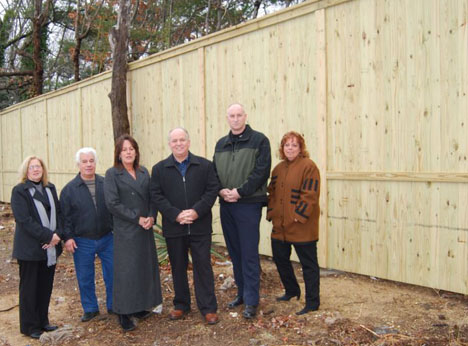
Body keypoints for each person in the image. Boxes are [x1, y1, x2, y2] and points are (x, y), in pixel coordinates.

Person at [150, 127, 220, 325]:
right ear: (169, 144)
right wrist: (175, 214)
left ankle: (208, 308)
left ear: (189, 142)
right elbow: (156, 195)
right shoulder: (159, 169)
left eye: (182, 140)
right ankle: (181, 304)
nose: (179, 144)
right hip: (175, 227)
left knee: (203, 267)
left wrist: (196, 211)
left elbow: (212, 190)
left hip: (200, 226)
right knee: (178, 267)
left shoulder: (205, 166)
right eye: (175, 141)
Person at [213, 103, 271, 319]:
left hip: (248, 204)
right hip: (227, 204)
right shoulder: (221, 144)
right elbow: (214, 171)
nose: (235, 119)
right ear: (227, 118)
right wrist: (221, 190)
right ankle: (242, 294)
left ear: (245, 117)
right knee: (235, 253)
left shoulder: (259, 140)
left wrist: (240, 192)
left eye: (239, 115)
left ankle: (252, 300)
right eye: (231, 116)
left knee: (248, 254)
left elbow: (261, 171)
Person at [104, 135, 162, 332]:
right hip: (127, 229)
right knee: (126, 271)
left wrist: (152, 217)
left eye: (131, 148)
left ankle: (139, 307)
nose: (128, 152)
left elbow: (153, 197)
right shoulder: (112, 174)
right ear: (118, 154)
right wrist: (137, 218)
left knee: (142, 268)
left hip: (145, 228)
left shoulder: (144, 171)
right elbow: (112, 204)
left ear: (136, 152)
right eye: (124, 149)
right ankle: (123, 312)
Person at [266, 131, 321, 315]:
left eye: (294, 145)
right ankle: (292, 291)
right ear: (282, 148)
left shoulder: (309, 166)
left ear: (300, 148)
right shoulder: (278, 169)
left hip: (301, 226)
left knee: (309, 265)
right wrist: (272, 213)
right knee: (280, 259)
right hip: (280, 227)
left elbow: (310, 194)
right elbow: (272, 193)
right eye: (286, 145)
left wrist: (298, 215)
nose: (290, 148)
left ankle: (312, 302)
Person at [10, 156, 64, 339]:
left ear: (43, 169)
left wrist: (57, 236)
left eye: (38, 167)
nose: (35, 170)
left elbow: (59, 213)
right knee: (29, 289)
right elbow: (24, 220)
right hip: (30, 249)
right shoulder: (20, 191)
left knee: (45, 287)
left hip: (50, 248)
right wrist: (49, 236)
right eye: (31, 167)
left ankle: (43, 321)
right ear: (26, 171)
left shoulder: (50, 188)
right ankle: (29, 325)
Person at [60, 147, 114, 322]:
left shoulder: (105, 183)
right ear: (78, 165)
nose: (88, 165)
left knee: (112, 273)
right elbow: (64, 217)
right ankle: (90, 309)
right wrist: (67, 237)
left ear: (95, 163)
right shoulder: (69, 189)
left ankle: (114, 305)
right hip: (82, 240)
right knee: (85, 276)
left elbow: (114, 208)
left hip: (107, 237)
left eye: (91, 161)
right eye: (84, 161)